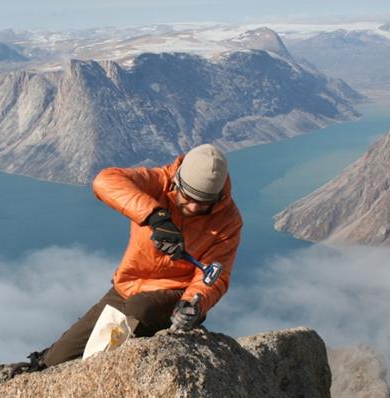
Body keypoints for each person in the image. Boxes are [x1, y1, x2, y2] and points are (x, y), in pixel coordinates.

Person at [28, 143, 243, 370]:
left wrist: (192, 304)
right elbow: (105, 181)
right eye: (189, 196)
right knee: (55, 359)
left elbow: (214, 275)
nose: (193, 206)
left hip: (176, 295)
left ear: (218, 198)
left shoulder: (227, 221)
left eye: (204, 203)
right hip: (128, 287)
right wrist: (155, 216)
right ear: (177, 181)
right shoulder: (159, 182)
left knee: (140, 309)